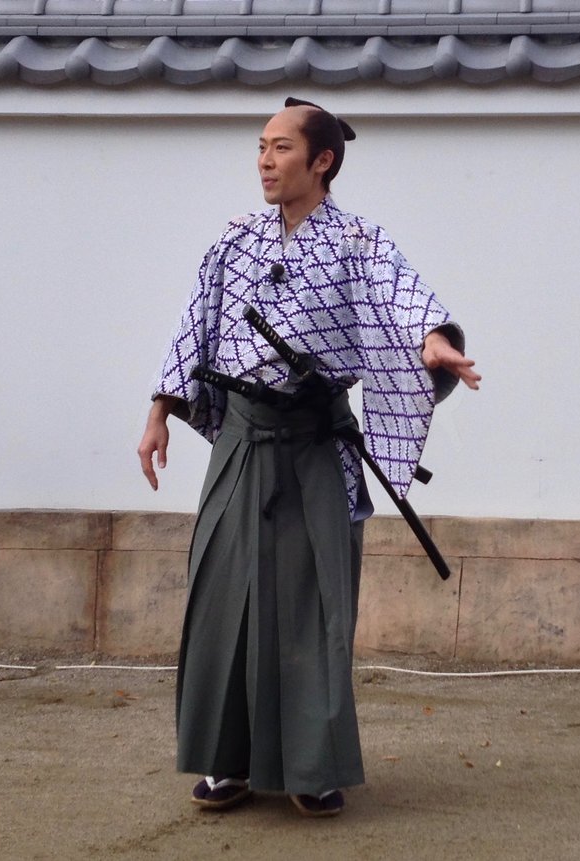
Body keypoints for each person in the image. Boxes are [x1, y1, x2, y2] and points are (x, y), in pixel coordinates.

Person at [137, 99, 480, 817]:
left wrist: (433, 340)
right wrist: (160, 409)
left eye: (282, 147)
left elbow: (403, 297)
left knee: (313, 603)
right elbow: (193, 322)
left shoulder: (359, 242)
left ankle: (312, 764)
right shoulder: (234, 240)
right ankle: (225, 761)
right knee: (223, 595)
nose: (265, 160)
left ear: (321, 160)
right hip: (242, 441)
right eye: (261, 146)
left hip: (317, 444)